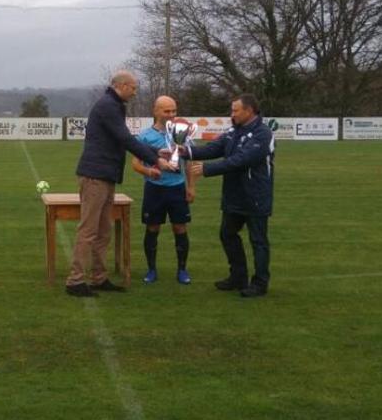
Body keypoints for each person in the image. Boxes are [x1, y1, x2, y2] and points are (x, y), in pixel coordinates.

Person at [65, 71, 175, 297]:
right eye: (133, 88)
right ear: (122, 86)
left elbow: (123, 140)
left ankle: (98, 277)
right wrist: (156, 159)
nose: (135, 92)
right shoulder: (108, 106)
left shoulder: (113, 105)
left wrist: (155, 151)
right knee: (88, 230)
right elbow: (125, 139)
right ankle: (75, 281)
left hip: (106, 175)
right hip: (95, 176)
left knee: (103, 230)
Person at [186, 94, 275, 298]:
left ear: (249, 110)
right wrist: (183, 151)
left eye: (235, 110)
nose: (231, 114)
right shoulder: (233, 131)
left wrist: (207, 170)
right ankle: (238, 276)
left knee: (258, 240)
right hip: (234, 195)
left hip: (255, 195)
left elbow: (242, 160)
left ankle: (260, 283)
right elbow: (211, 149)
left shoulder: (263, 134)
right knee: (227, 234)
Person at [131, 96, 195, 285]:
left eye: (174, 111)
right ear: (156, 111)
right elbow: (135, 164)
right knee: (152, 228)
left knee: (180, 227)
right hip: (154, 189)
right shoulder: (144, 136)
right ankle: (151, 270)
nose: (171, 115)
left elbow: (190, 163)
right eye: (167, 111)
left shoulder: (183, 133)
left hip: (177, 189)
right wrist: (148, 171)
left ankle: (182, 270)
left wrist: (191, 186)